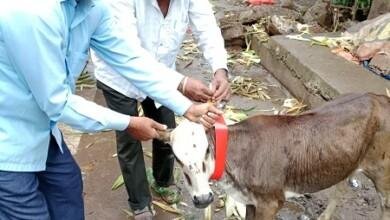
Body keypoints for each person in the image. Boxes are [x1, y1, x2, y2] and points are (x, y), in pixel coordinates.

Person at [0, 0, 222, 219]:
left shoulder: (93, 8)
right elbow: (57, 102)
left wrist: (186, 106)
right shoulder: (33, 13)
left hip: (42, 133)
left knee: (67, 188)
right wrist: (127, 122)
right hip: (8, 143)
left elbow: (130, 58)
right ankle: (140, 203)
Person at [91, 0, 230, 219]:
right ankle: (140, 203)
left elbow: (207, 28)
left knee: (168, 131)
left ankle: (164, 181)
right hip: (119, 77)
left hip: (163, 75)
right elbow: (130, 53)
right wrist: (182, 84)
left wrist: (220, 70)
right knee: (129, 139)